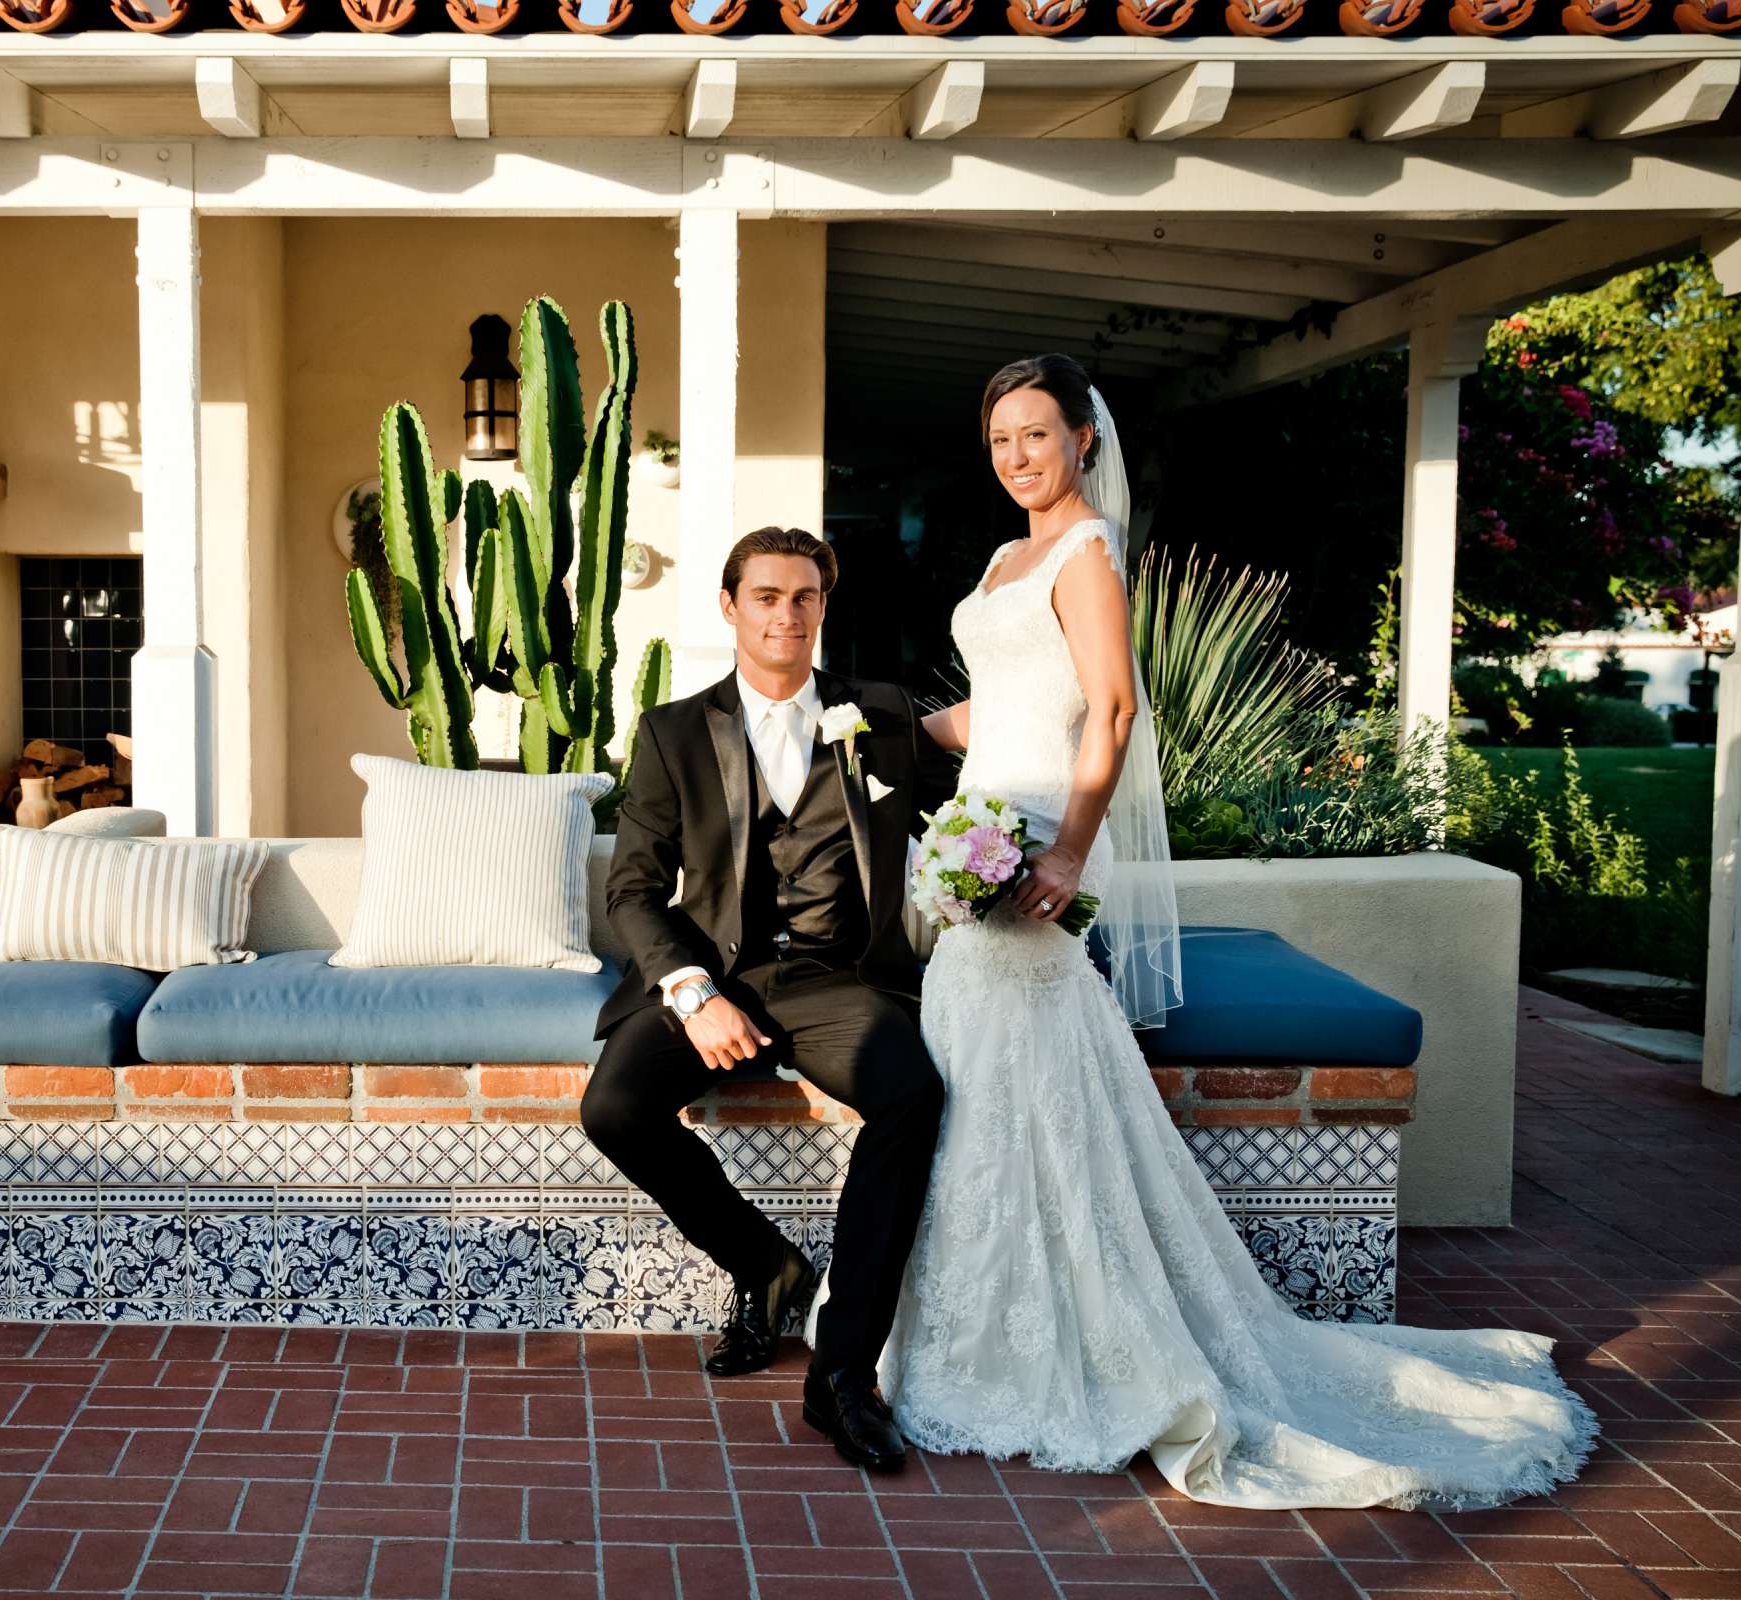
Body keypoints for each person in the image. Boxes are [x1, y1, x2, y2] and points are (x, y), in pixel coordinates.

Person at [869, 352, 1597, 1509]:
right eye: (1001, 437)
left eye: (1037, 436)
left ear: (1083, 443)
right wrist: (870, 719)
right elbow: (990, 710)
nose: (1017, 456)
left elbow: (1110, 708)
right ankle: (977, 1318)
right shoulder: (1008, 555)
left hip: (1038, 845)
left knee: (1018, 1072)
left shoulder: (1086, 554)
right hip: (984, 829)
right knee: (985, 1076)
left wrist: (1064, 849)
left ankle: (1066, 1341)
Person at [581, 526, 943, 1473]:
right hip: (712, 972)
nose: (788, 615)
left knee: (911, 1095)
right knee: (614, 1107)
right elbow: (631, 890)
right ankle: (765, 1264)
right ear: (730, 605)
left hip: (833, 977)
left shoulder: (882, 714)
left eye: (806, 598)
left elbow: (991, 754)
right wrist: (695, 992)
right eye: (768, 596)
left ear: (825, 606)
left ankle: (843, 1375)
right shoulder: (669, 732)